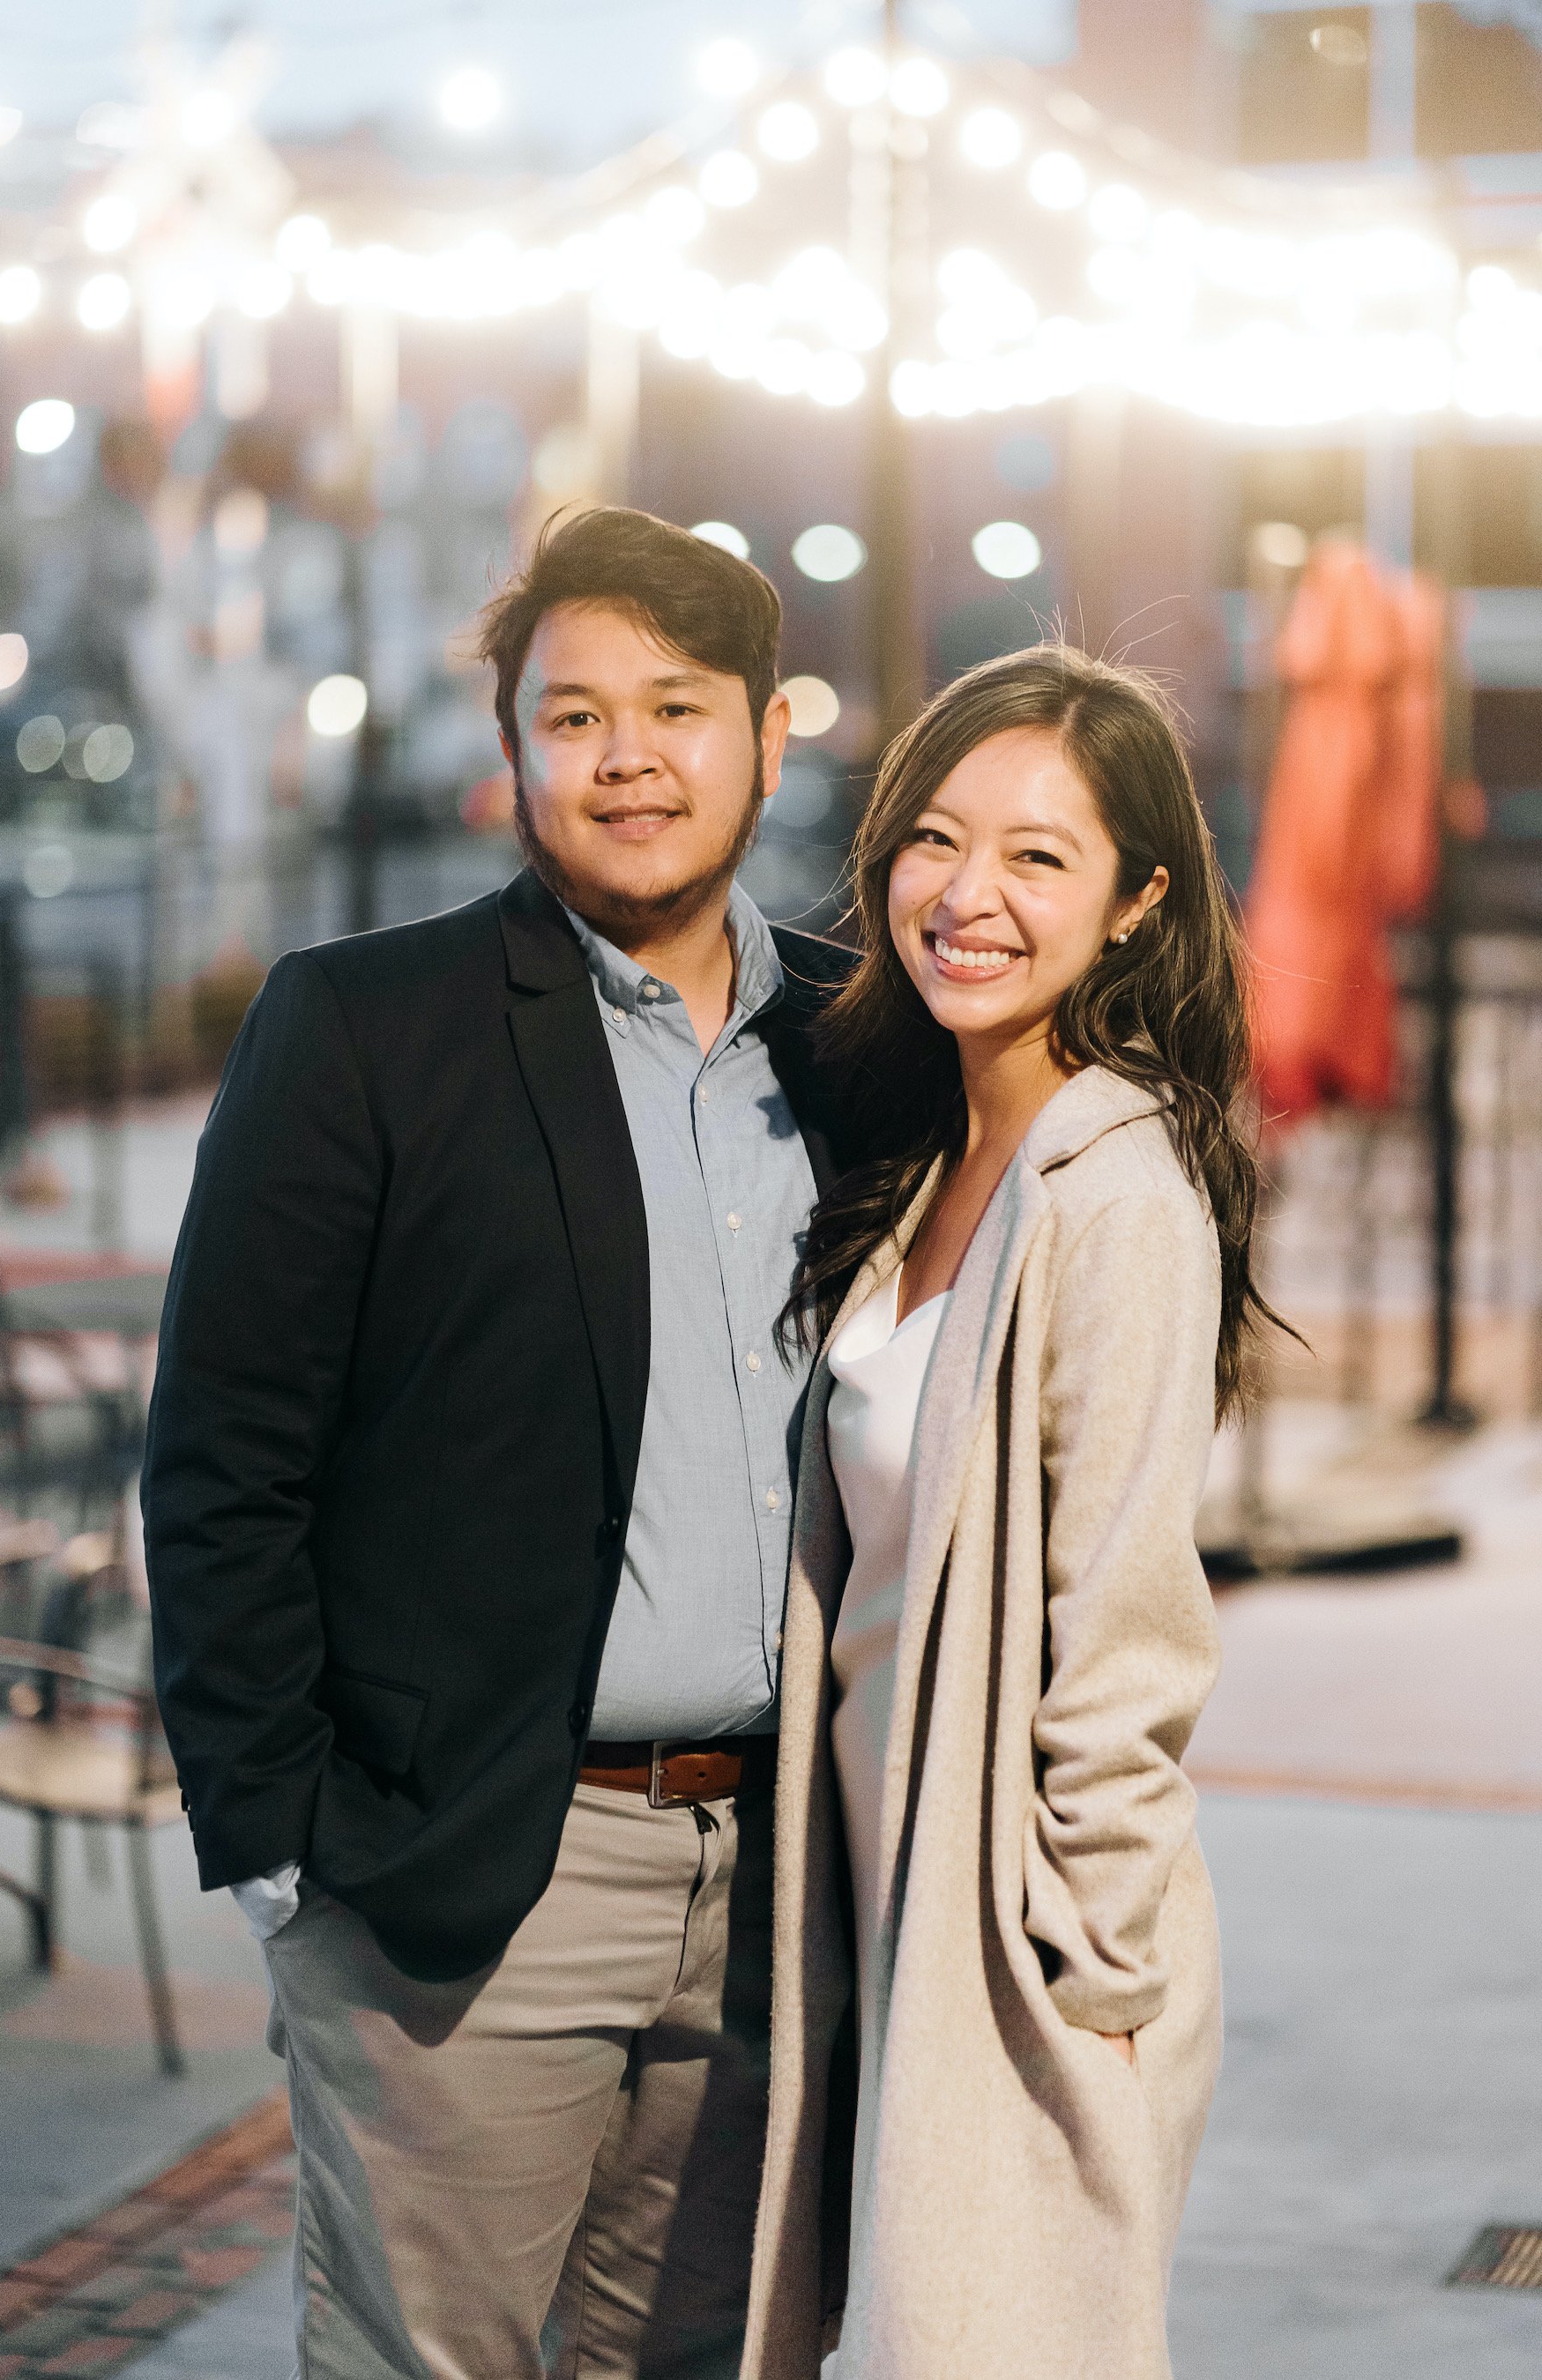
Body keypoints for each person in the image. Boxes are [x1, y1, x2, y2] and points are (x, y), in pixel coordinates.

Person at [143, 504, 857, 2380]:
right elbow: (223, 1459)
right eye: (575, 716)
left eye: (678, 709)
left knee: (699, 2362)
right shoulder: (368, 1029)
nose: (628, 757)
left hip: (783, 1874)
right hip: (470, 1878)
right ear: (517, 752)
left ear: (769, 736)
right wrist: (282, 1850)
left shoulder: (862, 1045)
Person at [742, 645, 1281, 2380]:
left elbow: (1126, 1631)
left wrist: (1095, 1976)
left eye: (1040, 858)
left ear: (1135, 904)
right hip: (878, 1888)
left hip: (1017, 1939)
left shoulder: (1116, 1198)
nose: (968, 896)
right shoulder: (925, 1153)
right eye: (936, 840)